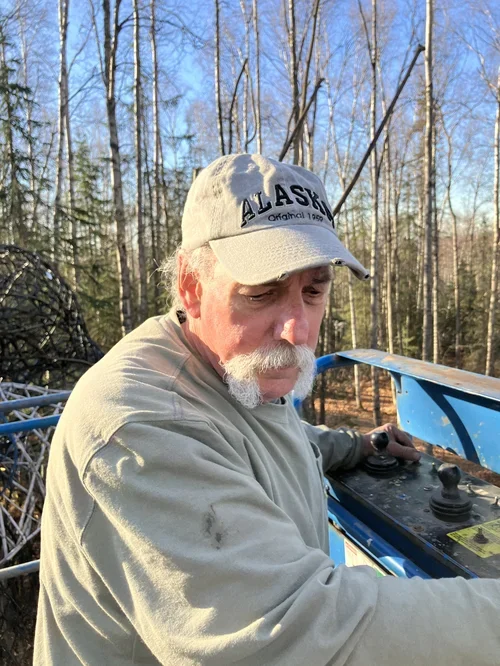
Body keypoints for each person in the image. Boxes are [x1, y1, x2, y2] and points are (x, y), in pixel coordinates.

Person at [34, 154, 499, 666]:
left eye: (314, 290)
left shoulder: (235, 374)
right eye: (261, 294)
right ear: (191, 287)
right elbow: (287, 633)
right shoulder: (136, 422)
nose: (297, 330)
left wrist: (358, 445)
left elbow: (273, 439)